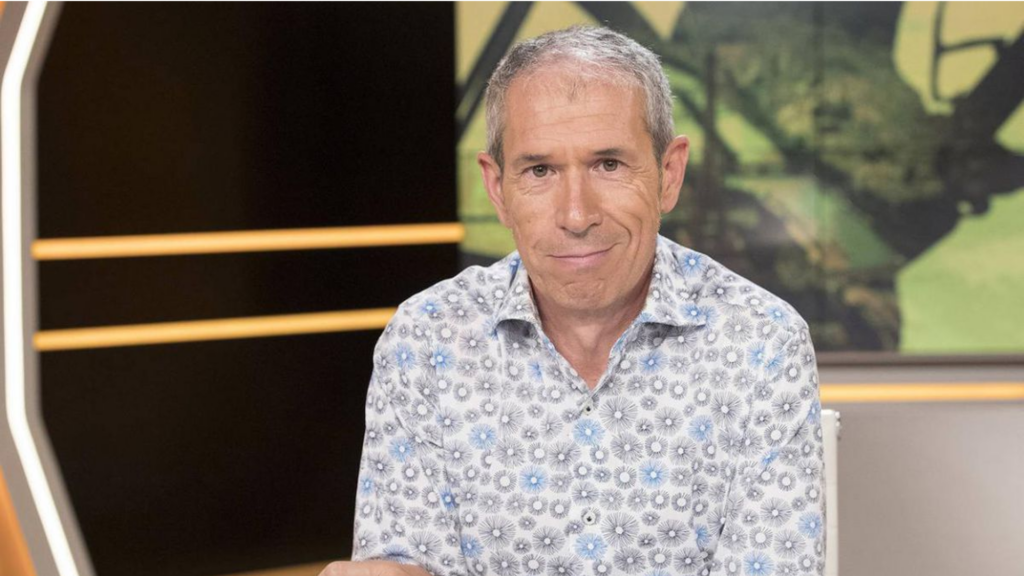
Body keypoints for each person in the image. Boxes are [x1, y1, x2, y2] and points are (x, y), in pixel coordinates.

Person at [321, 25, 825, 576]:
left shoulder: (761, 342)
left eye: (608, 165)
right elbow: (404, 564)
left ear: (669, 174)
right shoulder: (426, 340)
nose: (577, 215)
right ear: (497, 188)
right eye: (540, 170)